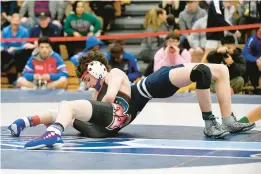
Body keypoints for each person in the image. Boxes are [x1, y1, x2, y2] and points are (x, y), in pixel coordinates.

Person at [8, 51, 255, 150]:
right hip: (109, 124)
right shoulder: (100, 89)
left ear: (95, 68)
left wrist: (98, 92)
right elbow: (101, 101)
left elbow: (110, 97)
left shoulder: (113, 75)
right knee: (66, 108)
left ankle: (224, 119)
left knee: (219, 70)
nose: (87, 83)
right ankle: (27, 121)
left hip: (121, 110)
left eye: (87, 77)